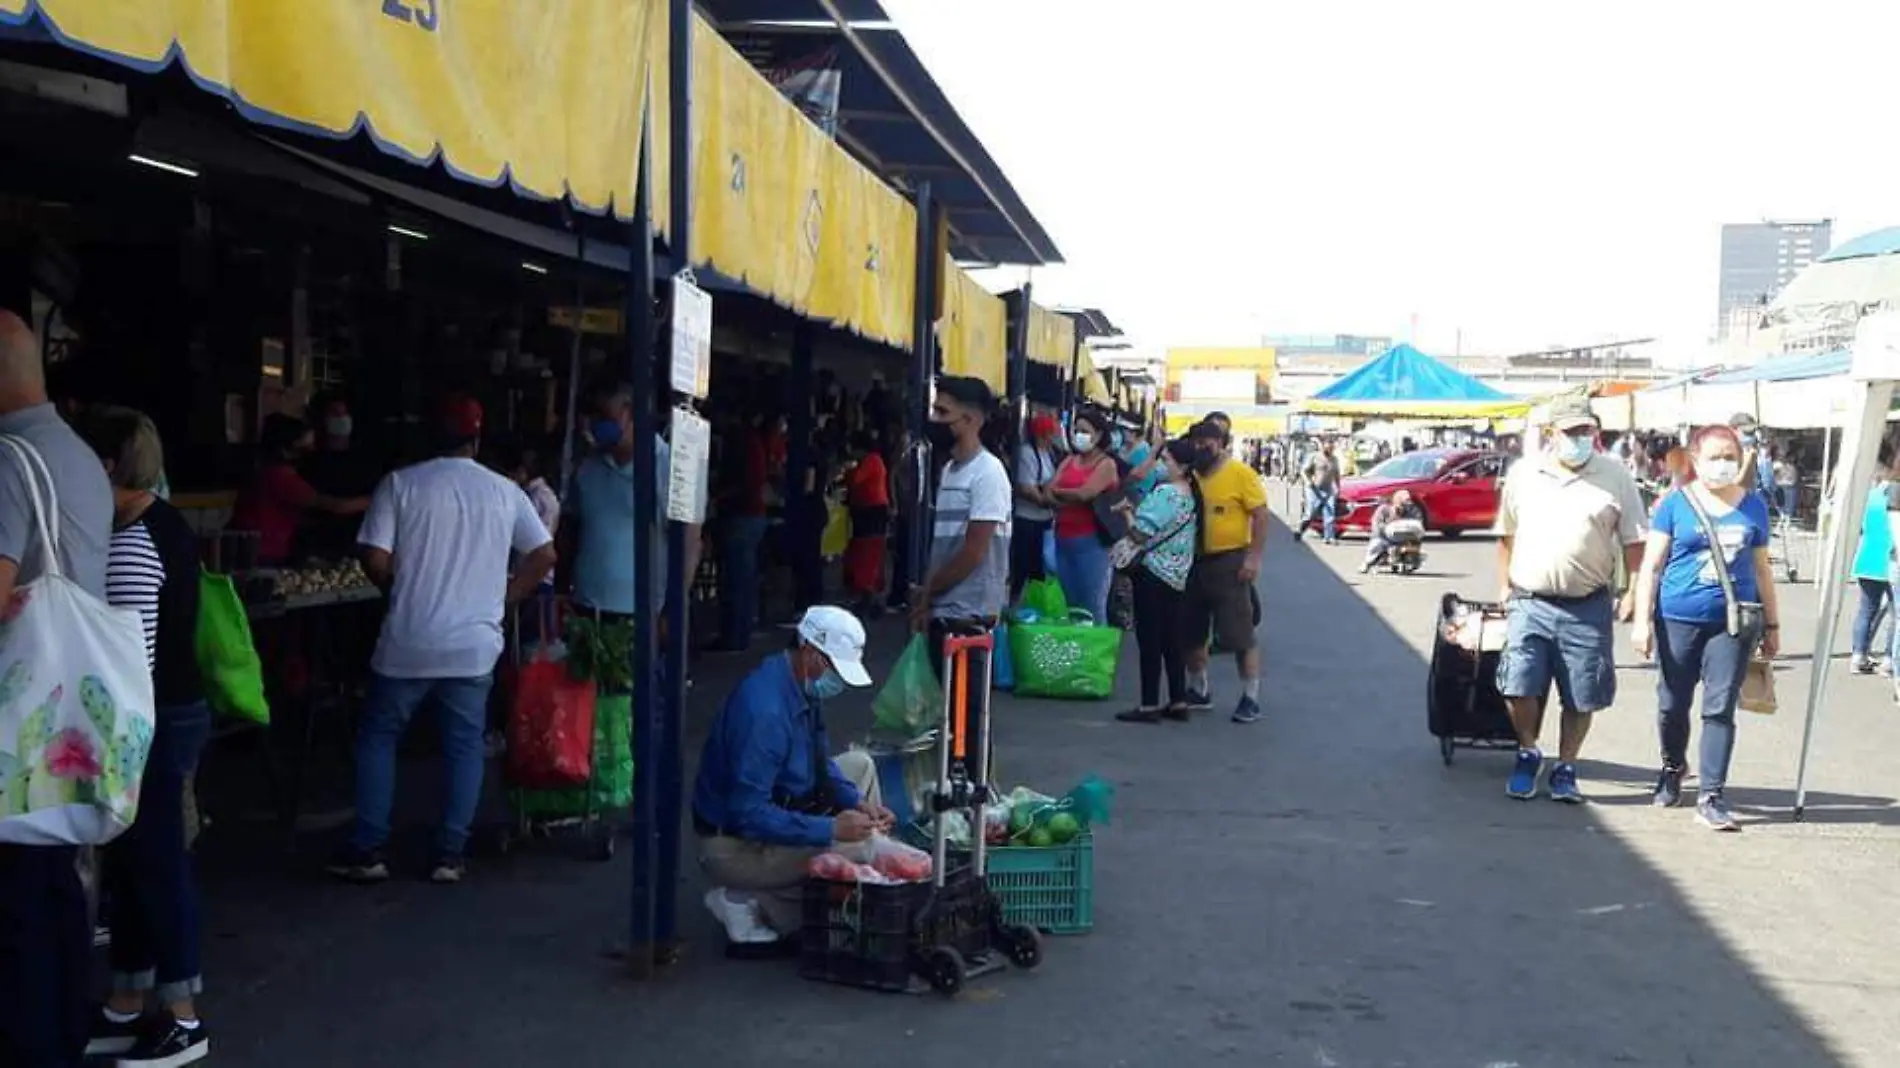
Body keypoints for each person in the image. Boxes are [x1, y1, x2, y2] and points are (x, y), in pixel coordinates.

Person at [328, 395, 557, 885]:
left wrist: (397, 587)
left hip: (408, 638)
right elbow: (543, 554)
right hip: (473, 645)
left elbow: (373, 555)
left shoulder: (400, 485)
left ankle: (368, 850)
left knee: (379, 739)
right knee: (464, 745)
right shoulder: (504, 491)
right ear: (476, 440)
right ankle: (449, 854)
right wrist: (506, 597)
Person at [76, 407, 212, 1066]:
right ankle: (126, 1002)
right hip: (158, 713)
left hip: (150, 719)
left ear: (105, 465)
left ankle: (183, 1015)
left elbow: (134, 660)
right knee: (135, 865)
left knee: (156, 863)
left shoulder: (135, 540)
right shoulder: (149, 524)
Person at [0, 310, 115, 1067]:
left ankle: (32, 1045)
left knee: (13, 902)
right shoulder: (76, 454)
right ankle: (65, 1034)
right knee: (51, 883)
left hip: (16, 714)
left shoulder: (8, 460)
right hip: (70, 712)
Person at [692, 606, 892, 946]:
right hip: (735, 846)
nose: (839, 683)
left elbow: (820, 761)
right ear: (811, 654)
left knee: (859, 766)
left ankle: (849, 873)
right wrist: (830, 829)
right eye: (836, 670)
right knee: (858, 847)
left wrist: (856, 802)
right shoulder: (765, 713)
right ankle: (751, 902)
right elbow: (748, 814)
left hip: (779, 804)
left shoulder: (797, 682)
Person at [1495, 394, 1648, 803]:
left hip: (1587, 604)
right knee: (1518, 683)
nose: (1580, 438)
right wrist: (1503, 586)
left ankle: (1566, 765)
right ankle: (1528, 750)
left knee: (1582, 692)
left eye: (1587, 431)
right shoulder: (1524, 474)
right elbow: (1506, 535)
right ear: (1551, 434)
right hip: (1530, 599)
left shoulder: (1615, 476)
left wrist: (1634, 593)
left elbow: (1635, 541)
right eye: (1571, 431)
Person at [1630, 425, 1780, 831]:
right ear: (1695, 460)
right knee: (1672, 704)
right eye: (1715, 456)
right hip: (1677, 618)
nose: (1724, 464)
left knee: (1719, 708)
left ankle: (1712, 795)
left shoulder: (1754, 507)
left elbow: (1763, 569)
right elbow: (1651, 565)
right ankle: (1673, 766)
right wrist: (1641, 621)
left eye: (1730, 455)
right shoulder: (1674, 504)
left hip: (1732, 622)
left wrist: (1773, 623)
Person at [909, 376, 1011, 765]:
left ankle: (974, 798)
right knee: (949, 716)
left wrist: (928, 592)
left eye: (942, 412)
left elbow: (972, 552)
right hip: (945, 607)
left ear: (970, 419)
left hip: (968, 613)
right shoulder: (951, 469)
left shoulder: (987, 474)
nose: (934, 419)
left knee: (966, 720)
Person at [1183, 420, 1270, 723]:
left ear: (1222, 443)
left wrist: (1254, 558)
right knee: (1191, 631)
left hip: (1230, 563)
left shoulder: (1240, 474)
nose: (1201, 447)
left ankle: (1250, 697)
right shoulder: (1189, 472)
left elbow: (1260, 516)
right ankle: (1199, 689)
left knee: (1240, 634)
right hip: (1193, 562)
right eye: (1196, 441)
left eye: (1208, 441)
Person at [1115, 439, 1201, 724]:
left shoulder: (1165, 494)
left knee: (1150, 641)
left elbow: (1140, 535)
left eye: (1167, 460)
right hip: (1177, 576)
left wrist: (1127, 513)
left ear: (1183, 465)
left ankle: (1148, 705)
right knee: (1171, 640)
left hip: (1152, 573)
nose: (1162, 465)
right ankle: (1178, 700)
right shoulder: (1191, 494)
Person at [228, 413, 368, 566]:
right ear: (286, 449)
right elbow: (336, 506)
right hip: (262, 554)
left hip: (256, 550)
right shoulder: (280, 477)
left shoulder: (266, 471)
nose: (312, 451)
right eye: (304, 447)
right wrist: (375, 500)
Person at [1046, 409, 1119, 625]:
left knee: (1092, 602)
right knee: (1071, 603)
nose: (1079, 435)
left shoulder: (1106, 464)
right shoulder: (1069, 460)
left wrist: (1060, 494)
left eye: (1085, 431)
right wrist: (1066, 497)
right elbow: (1048, 490)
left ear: (1098, 435)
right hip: (1063, 537)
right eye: (1076, 430)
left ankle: (1097, 654)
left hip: (1092, 540)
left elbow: (1085, 493)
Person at [714, 410, 772, 650]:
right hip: (753, 514)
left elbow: (742, 482)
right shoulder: (753, 441)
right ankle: (740, 633)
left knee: (735, 580)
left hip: (741, 514)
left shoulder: (739, 443)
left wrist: (717, 496)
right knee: (744, 579)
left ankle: (734, 635)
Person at [1850, 455, 1894, 674]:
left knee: (1866, 610)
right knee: (1896, 614)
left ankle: (1858, 655)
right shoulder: (1893, 499)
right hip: (1891, 561)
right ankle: (1889, 659)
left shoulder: (1869, 498)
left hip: (1867, 559)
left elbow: (1859, 528)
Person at [1010, 413, 1060, 599]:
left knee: (1041, 568)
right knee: (1022, 566)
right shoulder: (1027, 453)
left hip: (1045, 521)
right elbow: (1026, 487)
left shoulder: (1050, 454)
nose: (1052, 439)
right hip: (1026, 520)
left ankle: (1036, 602)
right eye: (1049, 435)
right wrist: (1046, 499)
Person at [841, 431, 890, 617]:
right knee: (862, 551)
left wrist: (848, 470)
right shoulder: (871, 461)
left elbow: (855, 480)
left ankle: (869, 595)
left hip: (872, 510)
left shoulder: (871, 460)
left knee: (868, 551)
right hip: (865, 509)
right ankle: (866, 593)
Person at [1360, 488, 1424, 573]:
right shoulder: (1383, 509)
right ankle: (1367, 563)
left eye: (1408, 500)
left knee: (1415, 545)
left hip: (1405, 537)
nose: (1407, 503)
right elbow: (1376, 525)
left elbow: (1418, 522)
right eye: (1405, 501)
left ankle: (1411, 562)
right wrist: (1386, 528)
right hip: (1385, 536)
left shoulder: (1413, 510)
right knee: (1377, 544)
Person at [1298, 439, 1342, 544]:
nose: (1330, 450)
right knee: (1311, 513)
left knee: (1330, 512)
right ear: (1323, 447)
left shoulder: (1334, 459)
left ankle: (1329, 537)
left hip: (1328, 489)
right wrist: (1308, 481)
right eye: (1328, 447)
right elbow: (1304, 471)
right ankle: (1300, 529)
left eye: (1332, 448)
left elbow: (1337, 474)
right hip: (1314, 489)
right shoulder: (1314, 457)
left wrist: (1338, 487)